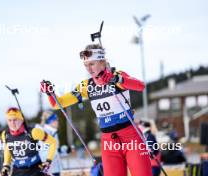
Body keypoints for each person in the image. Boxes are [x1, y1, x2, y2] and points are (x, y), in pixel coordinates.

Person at [40, 44, 152, 176]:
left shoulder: (117, 75)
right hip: (108, 141)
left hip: (131, 136)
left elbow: (140, 86)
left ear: (102, 61)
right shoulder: (86, 86)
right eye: (85, 65)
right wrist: (50, 93)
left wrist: (115, 79)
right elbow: (58, 104)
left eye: (92, 64)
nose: (88, 68)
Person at [0, 107, 57, 176]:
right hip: (17, 170)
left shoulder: (34, 132)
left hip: (35, 168)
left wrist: (48, 161)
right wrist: (6, 165)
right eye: (9, 120)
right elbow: (8, 148)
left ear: (21, 120)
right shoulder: (5, 134)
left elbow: (53, 142)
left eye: (15, 120)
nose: (12, 123)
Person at [36, 111, 61, 176]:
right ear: (50, 121)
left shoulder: (53, 132)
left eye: (57, 120)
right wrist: (46, 168)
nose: (57, 122)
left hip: (56, 167)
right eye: (55, 120)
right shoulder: (45, 133)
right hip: (49, 169)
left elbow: (56, 149)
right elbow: (43, 151)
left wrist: (65, 150)